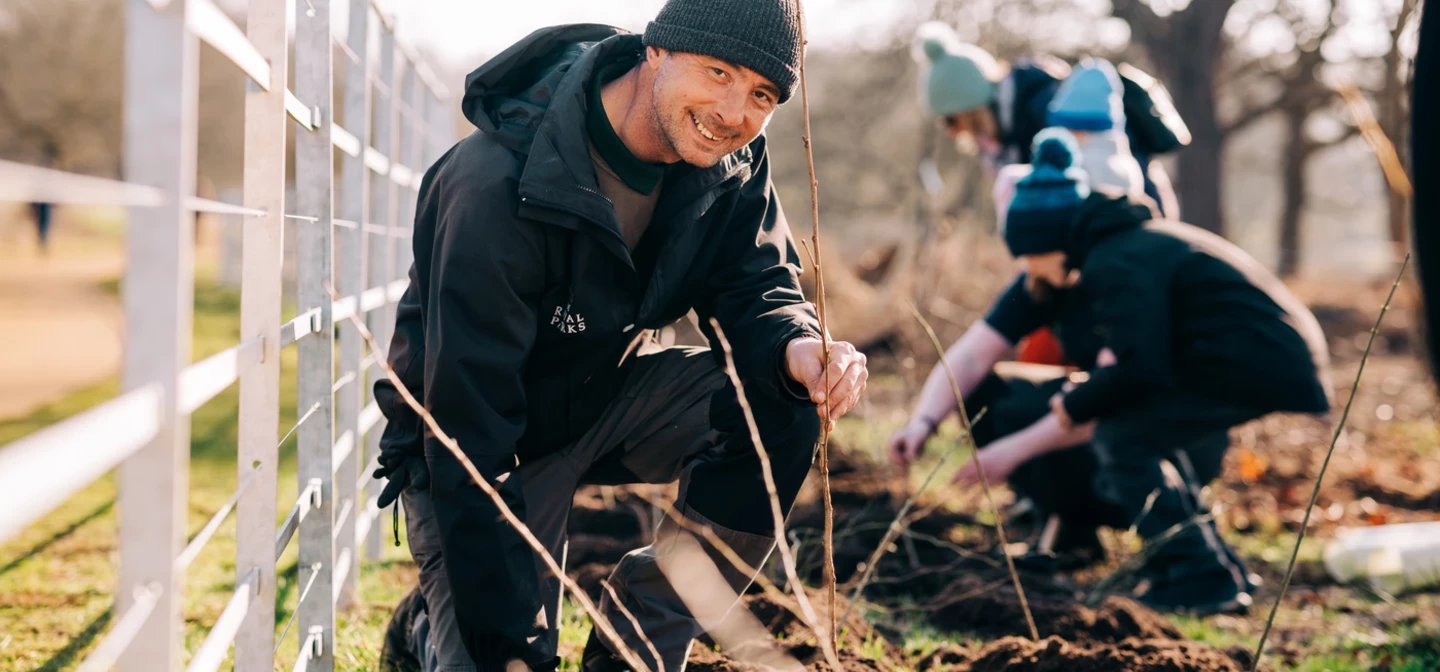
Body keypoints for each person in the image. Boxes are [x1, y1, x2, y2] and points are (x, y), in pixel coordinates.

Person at [372, 2, 870, 671]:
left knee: (781, 402)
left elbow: (757, 281)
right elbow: (467, 427)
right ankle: (430, 630)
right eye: (717, 71)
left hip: (607, 398)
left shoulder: (731, 165)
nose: (733, 112)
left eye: (761, 94)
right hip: (475, 448)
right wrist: (497, 633)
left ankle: (637, 643)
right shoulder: (493, 182)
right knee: (504, 655)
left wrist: (795, 345)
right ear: (655, 52)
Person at [886, 130, 1333, 615]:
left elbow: (1136, 372)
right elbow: (978, 353)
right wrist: (924, 421)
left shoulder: (1119, 262)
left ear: (1049, 242)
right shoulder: (1099, 255)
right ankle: (1212, 569)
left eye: (1028, 255)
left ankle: (1199, 578)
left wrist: (1041, 428)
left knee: (1125, 436)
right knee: (1137, 432)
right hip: (1250, 359)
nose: (1024, 267)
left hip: (1256, 358)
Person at [913, 21, 1186, 219]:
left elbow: (1101, 179)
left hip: (1136, 217)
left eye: (950, 120)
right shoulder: (1006, 135)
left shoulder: (1046, 111)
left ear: (971, 108)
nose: (951, 132)